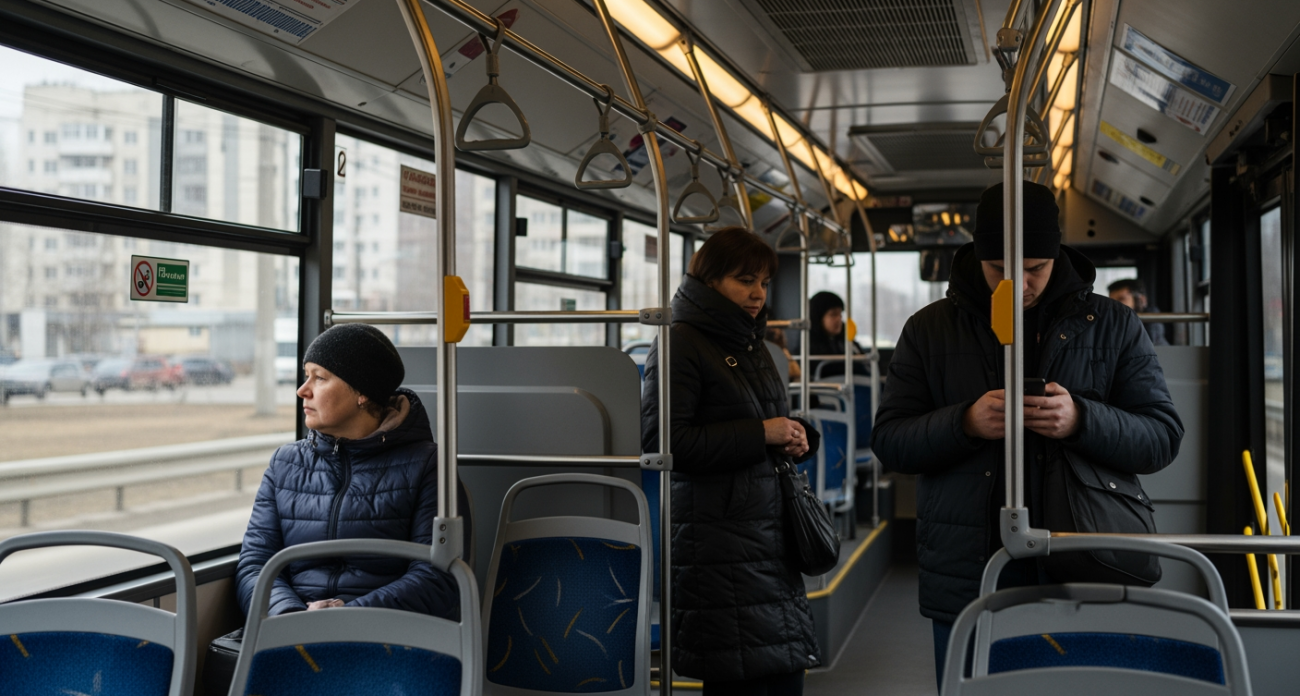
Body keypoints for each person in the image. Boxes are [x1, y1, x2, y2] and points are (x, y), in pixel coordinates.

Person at [871, 182, 1183, 685]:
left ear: (1057, 255)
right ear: (978, 257)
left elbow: (1161, 437)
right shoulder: (929, 330)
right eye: (1000, 269)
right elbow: (890, 441)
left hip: (1082, 556)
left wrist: (1081, 420)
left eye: (1035, 268)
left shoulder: (1114, 325)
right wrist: (964, 422)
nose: (1019, 285)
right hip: (969, 566)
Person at [641, 227, 822, 696]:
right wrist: (762, 433)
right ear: (711, 280)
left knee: (780, 671)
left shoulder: (747, 342)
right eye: (745, 281)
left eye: (764, 282)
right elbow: (664, 443)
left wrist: (798, 435)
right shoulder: (681, 341)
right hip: (719, 538)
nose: (759, 293)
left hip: (764, 531)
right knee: (747, 674)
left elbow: (763, 420)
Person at [808, 291, 865, 378]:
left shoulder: (845, 341)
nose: (839, 319)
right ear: (818, 317)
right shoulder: (809, 346)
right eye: (833, 314)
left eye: (840, 314)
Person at [1108, 278, 1169, 346]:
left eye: (1121, 299)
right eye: (1111, 301)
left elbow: (1147, 343)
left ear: (1141, 299)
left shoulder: (1151, 317)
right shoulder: (1113, 320)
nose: (1114, 305)